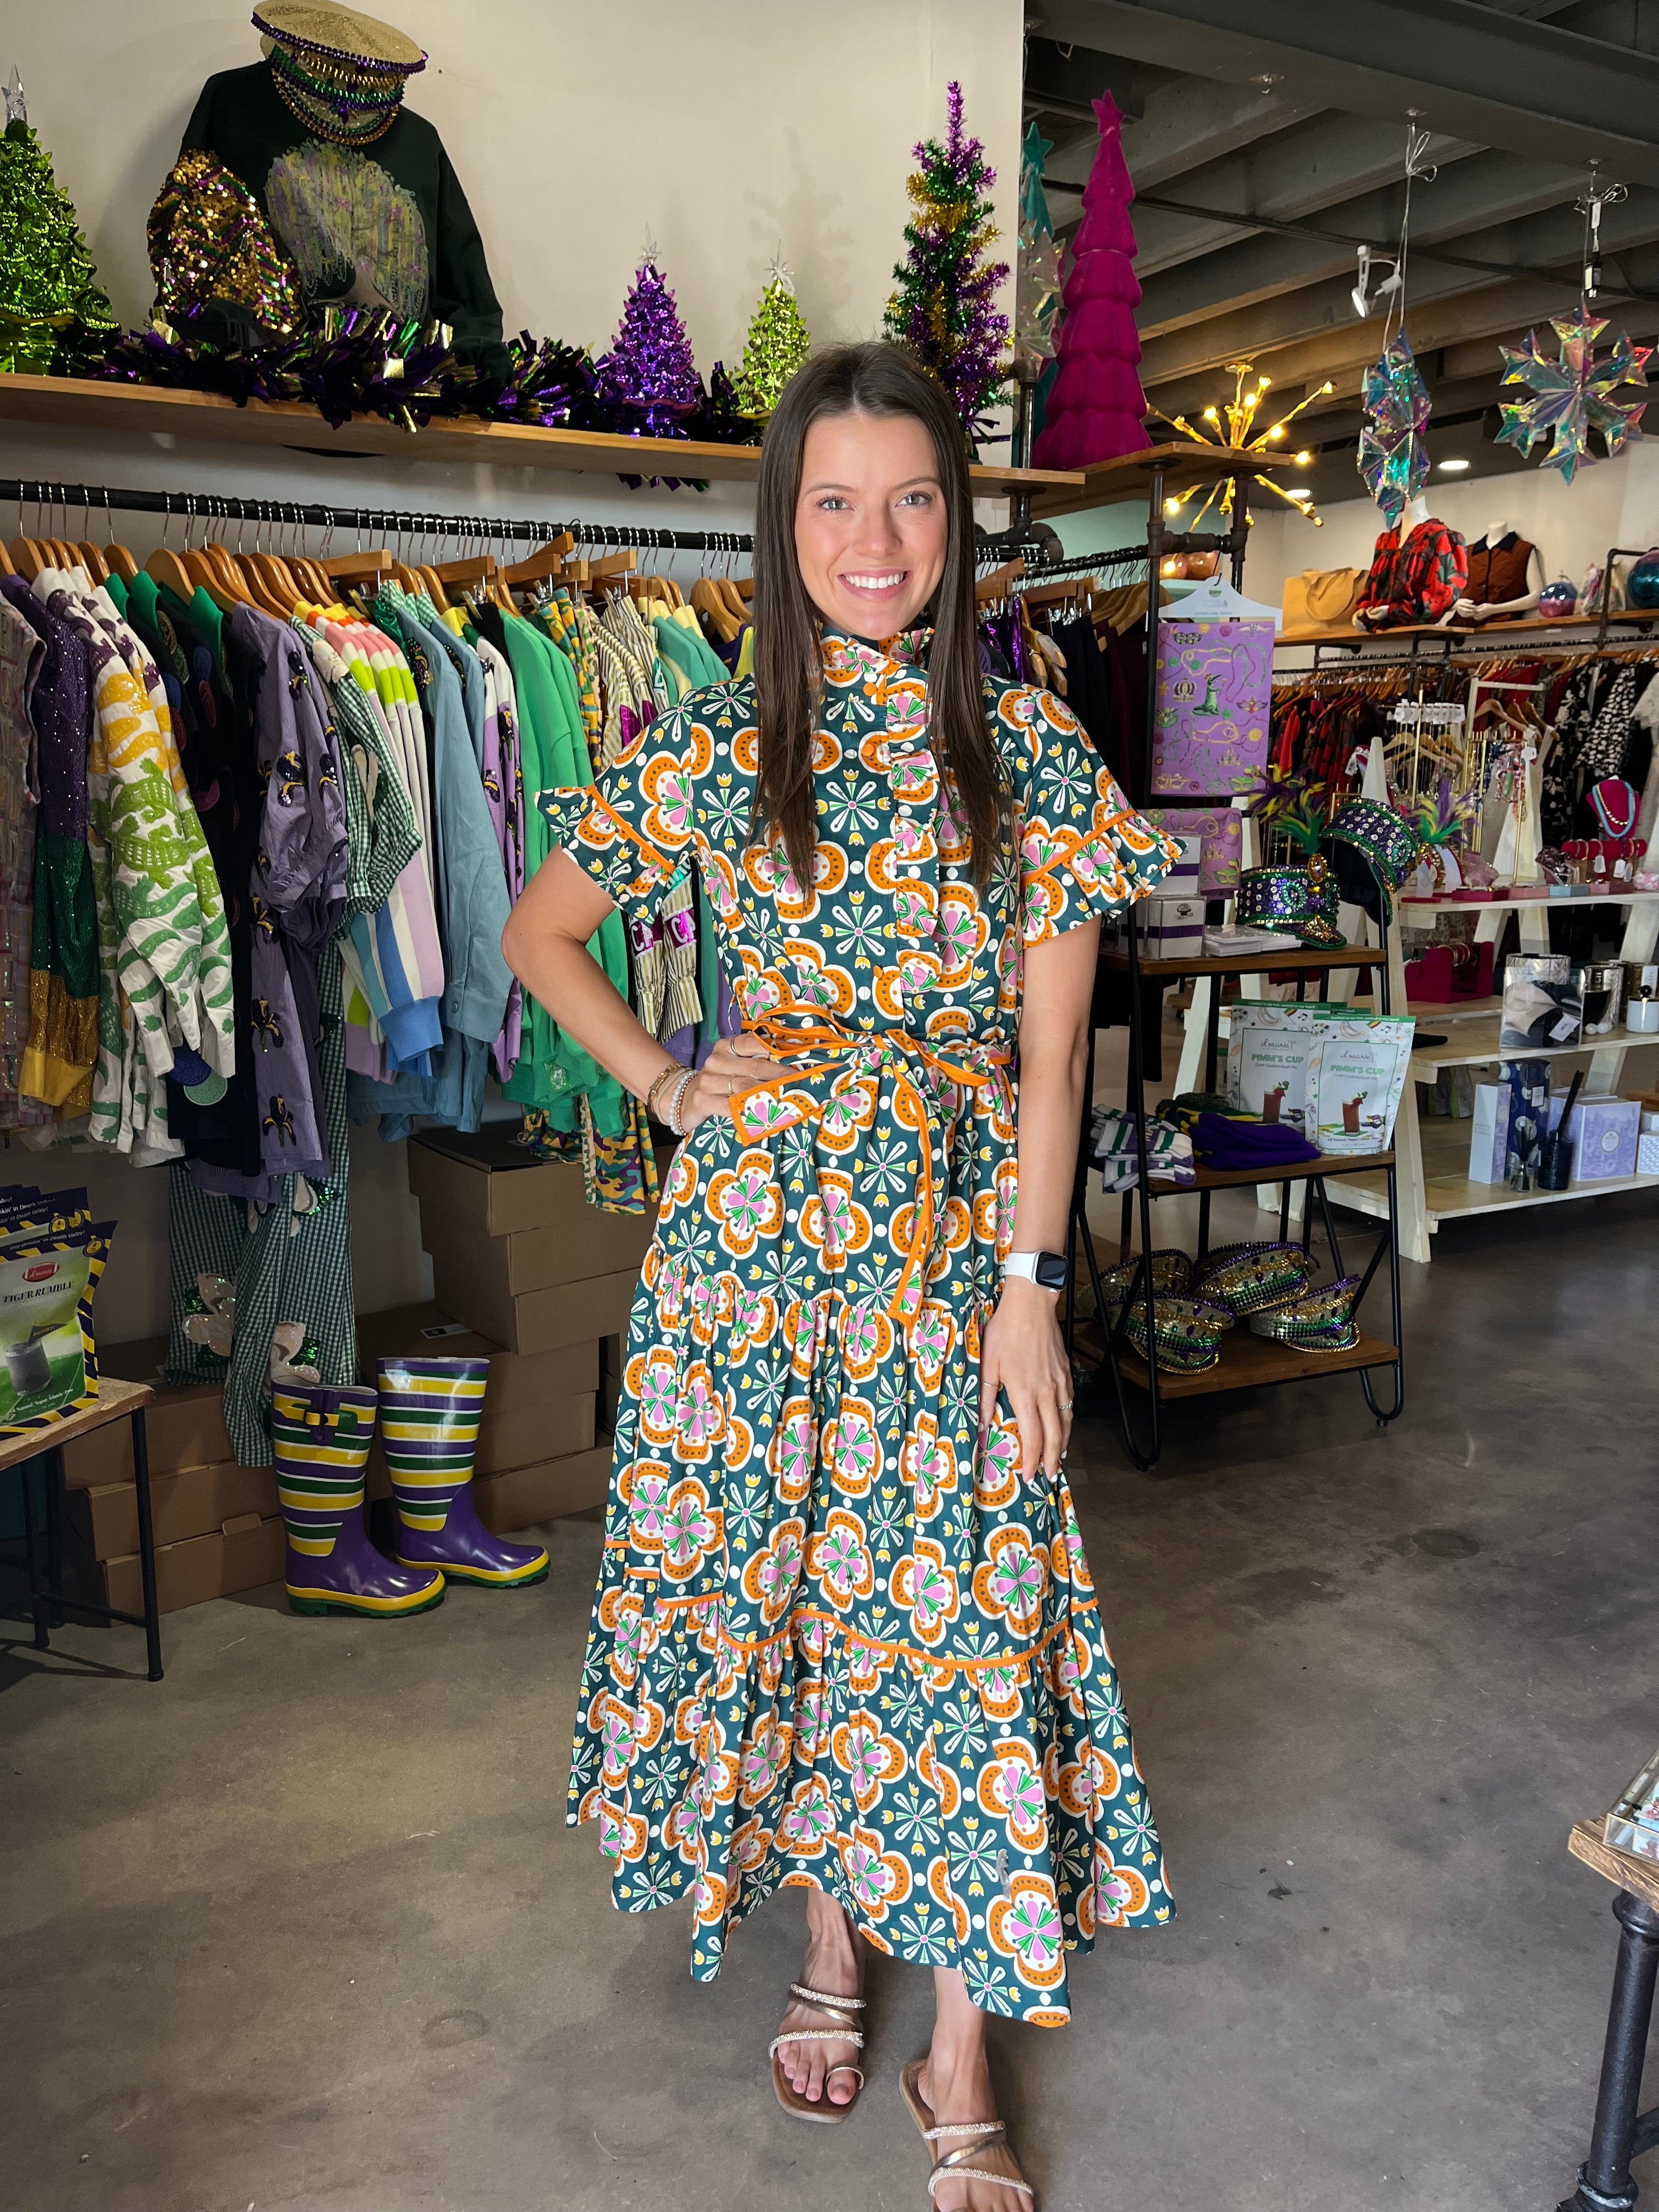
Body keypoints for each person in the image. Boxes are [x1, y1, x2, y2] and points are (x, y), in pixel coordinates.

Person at [503, 341, 1177, 2210]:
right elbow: (542, 934)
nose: (874, 541)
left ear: (955, 520)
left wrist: (1033, 1287)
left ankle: (959, 2045)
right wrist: (664, 1084)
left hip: (956, 1260)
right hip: (749, 1265)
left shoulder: (1028, 750)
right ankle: (827, 1943)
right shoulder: (714, 742)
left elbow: (1054, 1060)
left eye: (911, 499)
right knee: (791, 1598)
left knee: (961, 1613)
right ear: (781, 522)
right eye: (833, 501)